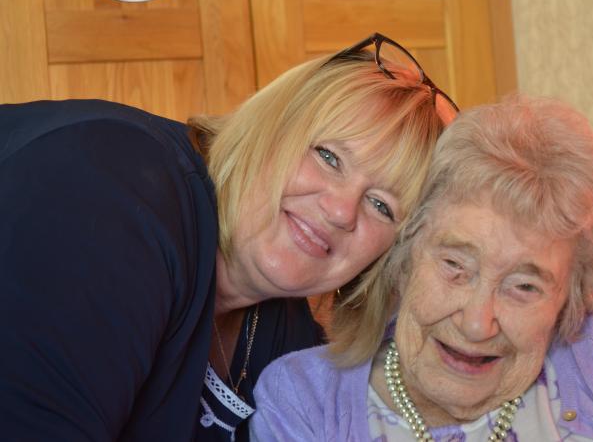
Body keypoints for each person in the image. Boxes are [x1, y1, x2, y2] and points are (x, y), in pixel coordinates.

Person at [0, 32, 456, 441]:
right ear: (271, 126)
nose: (340, 211)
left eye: (381, 205)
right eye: (328, 157)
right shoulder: (116, 190)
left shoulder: (287, 338)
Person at [250, 97, 593, 441]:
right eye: (455, 266)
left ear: (570, 298)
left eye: (524, 286)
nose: (476, 323)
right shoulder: (303, 401)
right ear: (403, 257)